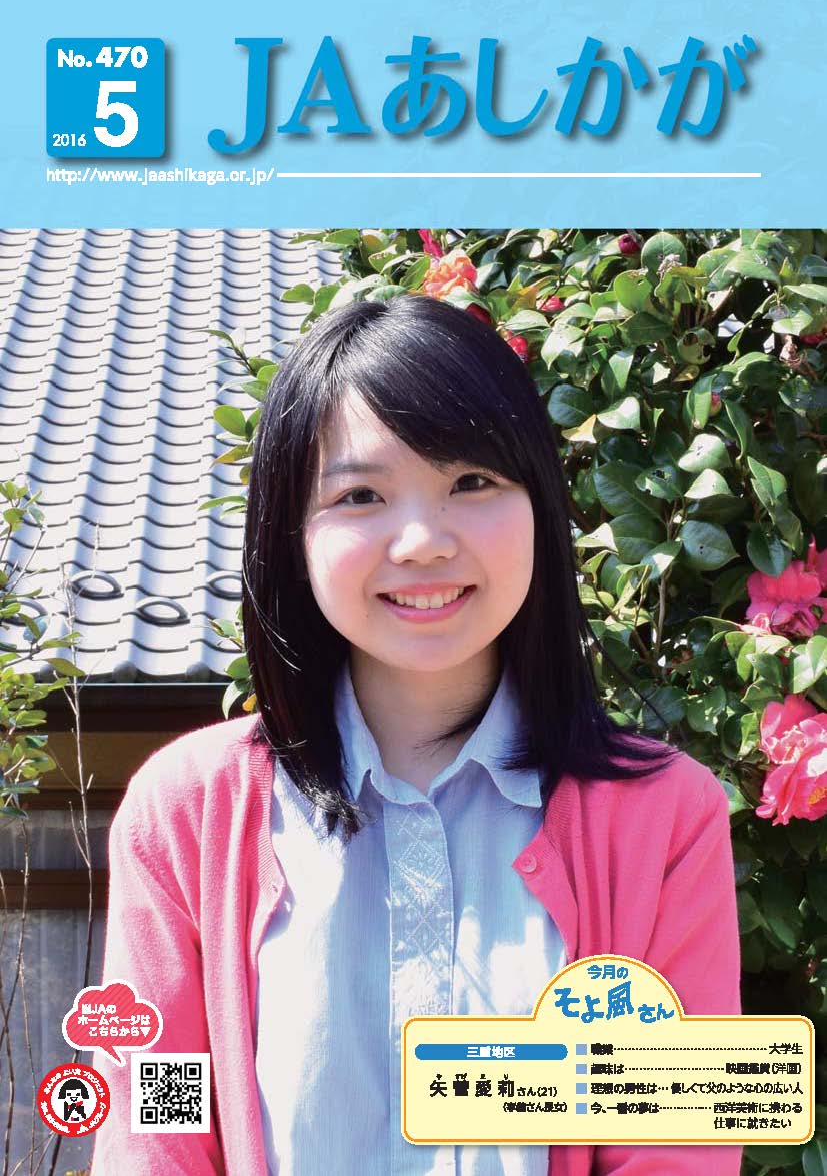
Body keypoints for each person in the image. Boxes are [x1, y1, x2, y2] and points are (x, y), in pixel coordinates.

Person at [90, 294, 742, 1175]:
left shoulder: (665, 817)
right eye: (360, 494)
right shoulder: (184, 815)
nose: (422, 541)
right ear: (292, 534)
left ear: (538, 504)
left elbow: (678, 1151)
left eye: (471, 482)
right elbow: (154, 1125)